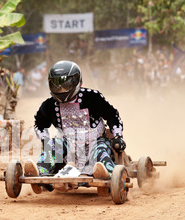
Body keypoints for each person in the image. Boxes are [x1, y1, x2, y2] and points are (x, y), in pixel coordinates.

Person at [24, 60, 126, 193]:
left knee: (100, 151)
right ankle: (41, 172)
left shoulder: (93, 97)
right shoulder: (49, 105)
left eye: (65, 84)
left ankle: (105, 172)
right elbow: (39, 124)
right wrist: (45, 139)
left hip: (95, 142)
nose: (61, 89)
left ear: (77, 81)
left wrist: (118, 136)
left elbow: (113, 116)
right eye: (56, 84)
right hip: (68, 145)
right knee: (54, 145)